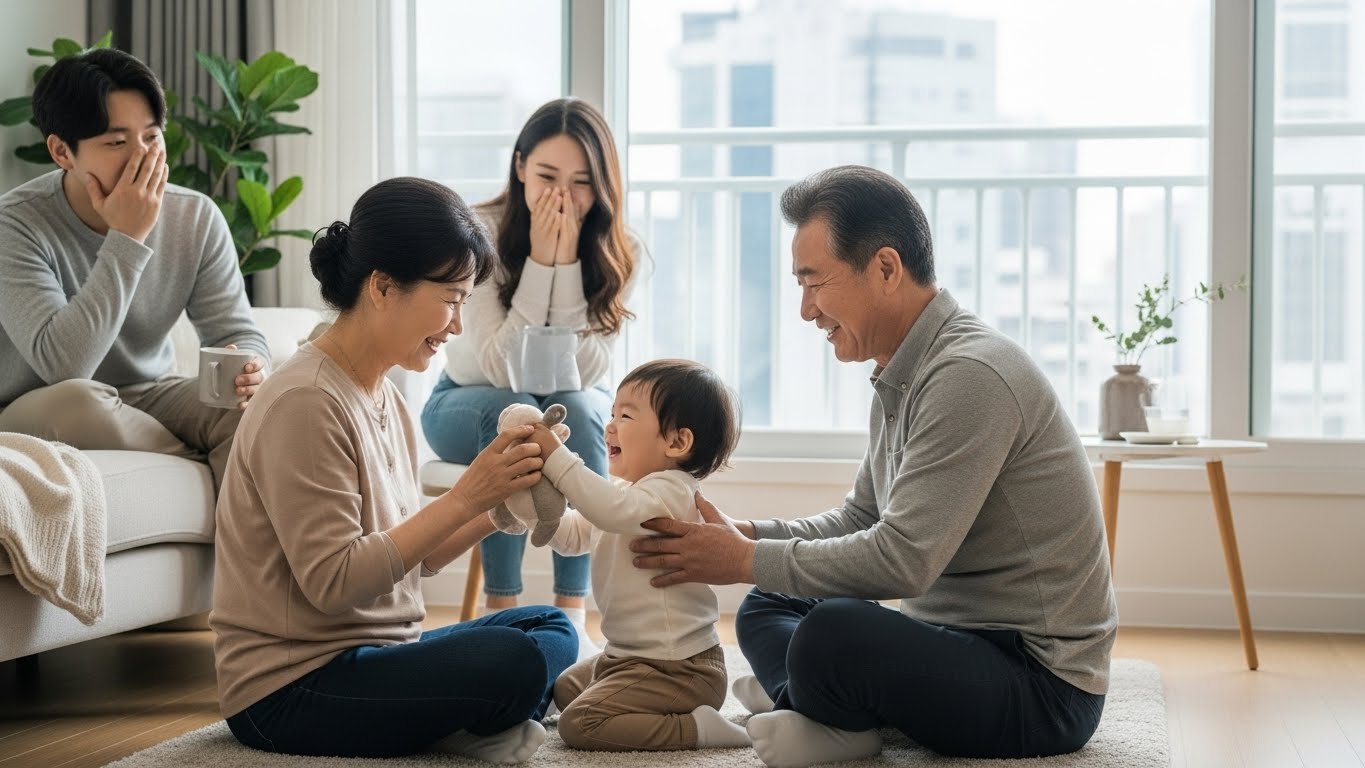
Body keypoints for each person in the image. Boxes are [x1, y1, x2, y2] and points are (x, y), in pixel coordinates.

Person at [628, 165, 1118, 767]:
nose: (806, 310)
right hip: (959, 641)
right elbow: (863, 515)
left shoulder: (969, 375)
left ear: (885, 268)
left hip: (1040, 685)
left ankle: (819, 708)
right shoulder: (903, 369)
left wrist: (742, 557)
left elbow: (904, 559)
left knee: (832, 632)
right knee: (770, 601)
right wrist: (747, 538)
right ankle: (813, 706)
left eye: (814, 282)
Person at [210, 177, 576, 761]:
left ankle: (464, 721)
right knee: (518, 662)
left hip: (376, 653)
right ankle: (471, 722)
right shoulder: (305, 402)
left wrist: (498, 502)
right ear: (382, 286)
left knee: (551, 628)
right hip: (290, 689)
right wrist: (466, 494)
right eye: (453, 298)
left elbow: (416, 556)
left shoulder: (385, 396)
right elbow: (334, 585)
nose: (457, 324)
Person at [421, 98, 641, 645]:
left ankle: (571, 613)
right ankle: (504, 603)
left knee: (589, 407)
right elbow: (495, 366)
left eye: (582, 182)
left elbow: (585, 371)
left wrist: (566, 264)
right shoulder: (478, 231)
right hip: (464, 401)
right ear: (520, 167)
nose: (561, 197)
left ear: (603, 185)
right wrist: (542, 262)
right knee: (511, 410)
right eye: (546, 176)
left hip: (563, 405)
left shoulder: (620, 249)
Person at [0, 48, 267, 491]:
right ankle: (197, 465)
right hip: (39, 402)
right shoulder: (15, 224)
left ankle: (247, 558)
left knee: (245, 407)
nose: (143, 157)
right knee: (80, 401)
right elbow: (65, 366)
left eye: (152, 136)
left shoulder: (195, 216)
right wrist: (128, 238)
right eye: (117, 142)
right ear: (62, 151)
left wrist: (253, 368)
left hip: (149, 395)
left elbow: (236, 334)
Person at [514, 359, 751, 752]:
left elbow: (606, 509)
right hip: (629, 657)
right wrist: (529, 506)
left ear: (676, 443)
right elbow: (571, 536)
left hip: (680, 669)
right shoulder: (627, 493)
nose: (609, 425)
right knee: (566, 688)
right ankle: (521, 721)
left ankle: (697, 729)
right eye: (612, 413)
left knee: (581, 724)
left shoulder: (671, 491)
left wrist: (558, 458)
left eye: (625, 416)